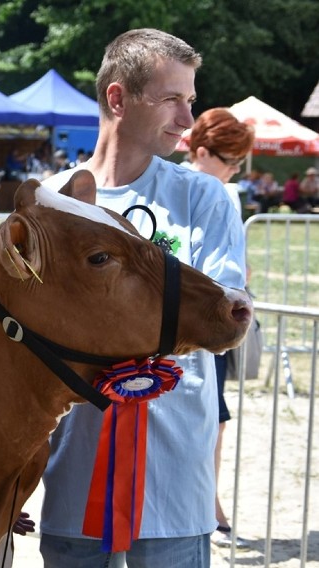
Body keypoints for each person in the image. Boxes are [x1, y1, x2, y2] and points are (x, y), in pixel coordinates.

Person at [36, 29, 247, 568]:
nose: (187, 118)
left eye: (191, 100)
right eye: (171, 98)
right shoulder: (50, 201)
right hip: (73, 485)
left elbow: (225, 319)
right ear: (117, 98)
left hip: (174, 486)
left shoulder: (204, 197)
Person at [183, 107, 254, 549]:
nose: (234, 172)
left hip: (214, 320)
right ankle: (207, 504)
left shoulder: (221, 192)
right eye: (230, 162)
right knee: (210, 418)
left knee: (217, 420)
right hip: (204, 324)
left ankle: (211, 501)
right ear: (203, 152)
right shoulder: (211, 193)